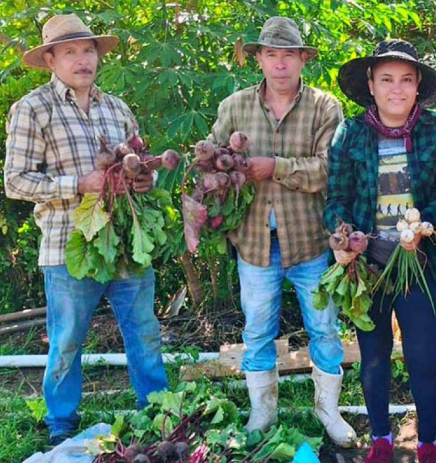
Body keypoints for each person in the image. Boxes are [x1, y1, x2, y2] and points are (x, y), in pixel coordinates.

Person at [4, 14, 168, 445]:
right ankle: (61, 427)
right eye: (71, 52)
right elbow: (16, 181)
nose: (83, 60)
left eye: (88, 50)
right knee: (68, 340)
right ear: (51, 60)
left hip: (127, 242)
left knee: (145, 335)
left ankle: (157, 418)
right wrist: (77, 184)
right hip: (67, 246)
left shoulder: (117, 107)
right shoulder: (32, 108)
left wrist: (145, 179)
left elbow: (139, 161)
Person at [207, 16, 355, 446]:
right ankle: (263, 412)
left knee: (324, 328)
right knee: (256, 331)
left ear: (302, 60)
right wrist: (220, 173)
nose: (280, 64)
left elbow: (331, 169)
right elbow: (213, 161)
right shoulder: (234, 107)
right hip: (253, 242)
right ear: (259, 59)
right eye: (271, 54)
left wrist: (277, 168)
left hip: (309, 241)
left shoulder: (325, 107)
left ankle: (328, 409)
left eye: (289, 55)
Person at [325, 39, 436, 463]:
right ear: (371, 83)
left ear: (418, 84)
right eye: (386, 79)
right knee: (374, 356)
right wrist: (342, 234)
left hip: (423, 265)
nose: (396, 89)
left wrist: (423, 225)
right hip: (368, 268)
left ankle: (427, 441)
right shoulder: (351, 132)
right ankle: (381, 437)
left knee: (423, 356)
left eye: (406, 79)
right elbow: (336, 198)